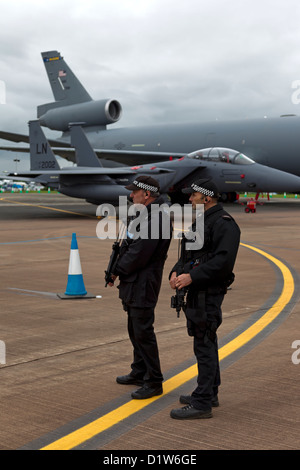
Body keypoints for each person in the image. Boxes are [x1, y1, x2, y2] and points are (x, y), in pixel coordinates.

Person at [169, 178, 240, 419]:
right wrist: (176, 271)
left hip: (209, 292)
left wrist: (192, 277)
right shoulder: (203, 221)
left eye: (193, 196)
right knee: (205, 340)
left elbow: (223, 262)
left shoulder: (224, 224)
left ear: (206, 197)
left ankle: (202, 403)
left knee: (204, 341)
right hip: (198, 290)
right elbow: (189, 254)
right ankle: (209, 392)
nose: (189, 199)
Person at [108, 175, 172, 399]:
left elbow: (139, 253)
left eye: (134, 192)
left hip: (143, 282)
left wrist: (117, 270)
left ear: (146, 194)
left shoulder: (157, 218)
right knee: (134, 329)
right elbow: (129, 246)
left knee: (143, 331)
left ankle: (154, 381)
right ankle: (139, 370)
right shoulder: (145, 215)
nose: (130, 195)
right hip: (134, 282)